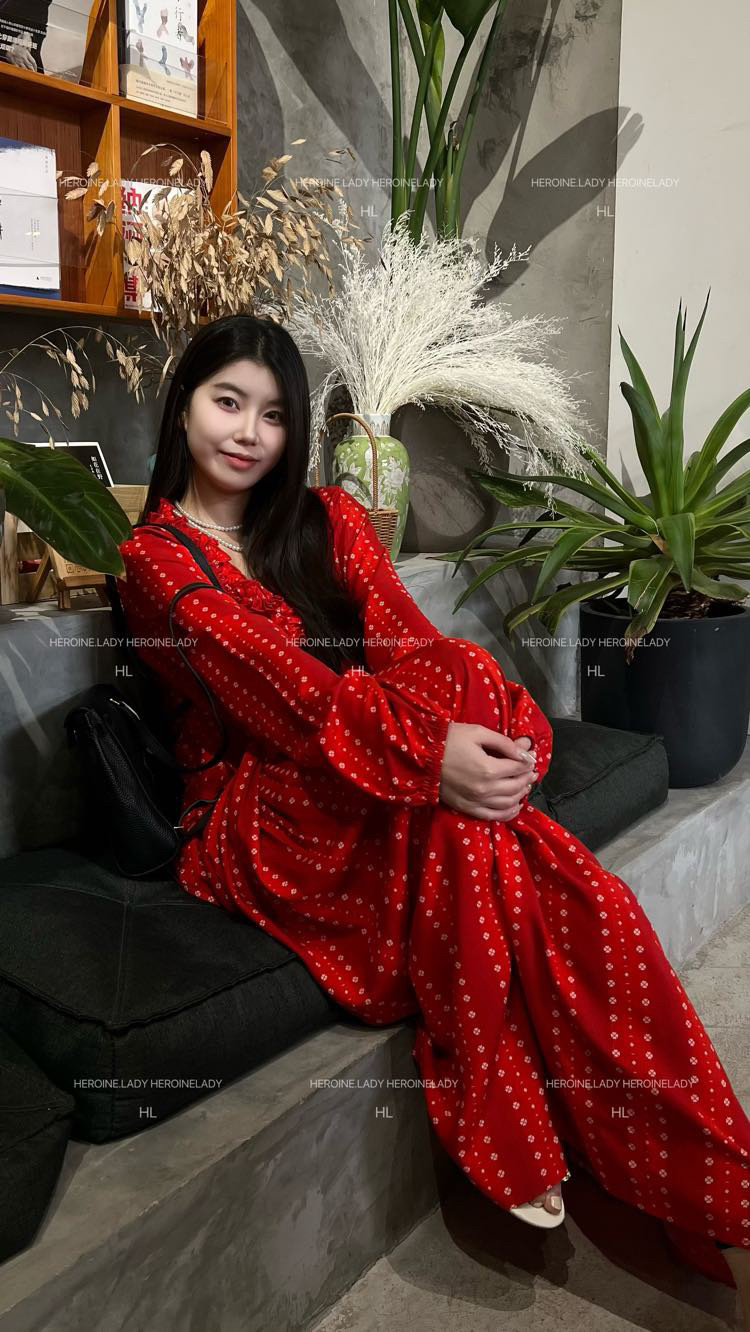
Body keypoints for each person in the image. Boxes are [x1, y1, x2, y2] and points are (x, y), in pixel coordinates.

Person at [116, 313, 750, 1322]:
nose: (248, 433)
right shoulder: (156, 558)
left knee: (458, 685)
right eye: (226, 402)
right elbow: (283, 697)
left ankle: (510, 1099)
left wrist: (497, 737)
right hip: (261, 805)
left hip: (377, 773)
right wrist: (435, 757)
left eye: (273, 414)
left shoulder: (325, 518)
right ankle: (601, 1131)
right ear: (182, 406)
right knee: (553, 874)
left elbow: (413, 644)